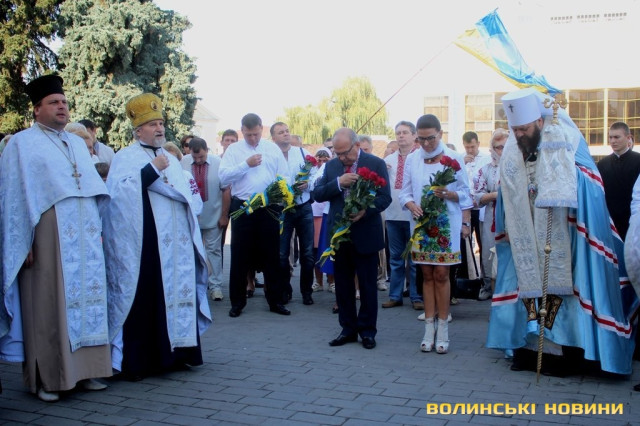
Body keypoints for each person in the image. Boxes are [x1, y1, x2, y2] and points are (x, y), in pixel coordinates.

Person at [486, 88, 636, 375]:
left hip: (566, 234)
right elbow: (506, 189)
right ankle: (528, 349)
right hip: (527, 233)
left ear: (539, 122)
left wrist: (559, 183)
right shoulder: (513, 149)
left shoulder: (566, 138)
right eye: (515, 130)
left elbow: (591, 184)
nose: (519, 135)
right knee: (528, 287)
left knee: (564, 293)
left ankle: (569, 353)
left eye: (524, 129)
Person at [0, 74, 111, 402]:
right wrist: (21, 241)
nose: (62, 107)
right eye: (53, 103)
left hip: (84, 235)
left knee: (88, 301)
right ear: (37, 109)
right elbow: (12, 197)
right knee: (49, 304)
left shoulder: (77, 143)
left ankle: (86, 372)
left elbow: (91, 187)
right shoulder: (21, 143)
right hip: (47, 233)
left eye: (63, 102)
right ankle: (49, 379)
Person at [103, 93, 212, 380]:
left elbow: (186, 196)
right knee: (146, 297)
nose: (159, 129)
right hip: (145, 243)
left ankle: (177, 353)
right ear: (138, 130)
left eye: (161, 123)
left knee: (175, 291)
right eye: (152, 124)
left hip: (175, 244)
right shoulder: (125, 157)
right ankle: (141, 361)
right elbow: (119, 197)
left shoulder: (172, 160)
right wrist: (151, 170)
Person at [313, 128, 391, 350]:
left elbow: (385, 198)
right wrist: (338, 182)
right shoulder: (332, 166)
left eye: (344, 153)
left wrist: (365, 211)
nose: (341, 158)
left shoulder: (375, 163)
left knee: (367, 286)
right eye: (337, 153)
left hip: (366, 233)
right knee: (343, 286)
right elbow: (318, 194)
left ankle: (367, 331)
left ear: (356, 145)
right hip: (340, 236)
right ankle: (347, 329)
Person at [399, 114, 472, 354]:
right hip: (421, 224)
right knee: (426, 274)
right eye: (421, 139)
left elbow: (466, 193)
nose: (426, 143)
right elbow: (404, 192)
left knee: (442, 274)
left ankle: (443, 328)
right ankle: (428, 328)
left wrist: (450, 194)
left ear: (440, 133)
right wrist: (411, 205)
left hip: (445, 224)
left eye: (430, 138)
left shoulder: (454, 158)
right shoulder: (412, 159)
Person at [219, 113, 291, 317]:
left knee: (272, 256)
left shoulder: (271, 148)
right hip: (243, 207)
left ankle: (275, 301)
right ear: (242, 130)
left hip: (268, 207)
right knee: (239, 256)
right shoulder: (234, 150)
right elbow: (223, 177)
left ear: (261, 128)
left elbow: (284, 175)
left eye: (256, 134)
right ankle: (237, 302)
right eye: (249, 135)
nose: (253, 138)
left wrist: (278, 190)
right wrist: (245, 165)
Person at [181, 137, 230, 302]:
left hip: (214, 215)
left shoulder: (218, 163)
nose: (198, 160)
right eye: (194, 157)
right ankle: (193, 286)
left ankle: (215, 287)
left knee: (214, 251)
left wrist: (224, 215)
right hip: (190, 217)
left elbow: (226, 190)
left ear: (207, 150)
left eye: (201, 156)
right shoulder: (183, 162)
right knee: (192, 251)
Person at [272, 122, 315, 306]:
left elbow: (316, 176)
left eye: (287, 131)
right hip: (282, 209)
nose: (286, 134)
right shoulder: (271, 156)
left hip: (303, 206)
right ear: (273, 137)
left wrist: (308, 184)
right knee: (282, 254)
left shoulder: (303, 153)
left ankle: (307, 291)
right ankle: (285, 290)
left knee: (307, 253)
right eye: (281, 132)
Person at [382, 121, 423, 310]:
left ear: (414, 135)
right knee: (396, 258)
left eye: (405, 132)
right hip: (393, 214)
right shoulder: (388, 160)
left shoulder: (421, 158)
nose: (401, 136)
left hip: (414, 215)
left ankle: (416, 296)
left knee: (415, 258)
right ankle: (395, 295)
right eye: (398, 132)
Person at [473, 128, 508, 300]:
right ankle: (488, 285)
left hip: (514, 217)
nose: (502, 150)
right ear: (493, 149)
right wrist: (496, 195)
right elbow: (477, 197)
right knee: (488, 250)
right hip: (491, 217)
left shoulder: (521, 167)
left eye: (506, 146)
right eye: (499, 147)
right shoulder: (485, 170)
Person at [597, 121, 640, 241]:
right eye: (610, 137)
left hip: (633, 221)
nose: (612, 141)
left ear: (628, 138)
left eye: (617, 137)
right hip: (609, 221)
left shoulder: (638, 161)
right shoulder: (602, 164)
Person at [357, 134, 388, 291]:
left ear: (371, 148)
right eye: (360, 149)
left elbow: (385, 194)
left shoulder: (377, 164)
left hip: (375, 210)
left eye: (366, 149)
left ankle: (381, 277)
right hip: (356, 212)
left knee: (379, 249)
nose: (363, 153)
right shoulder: (353, 165)